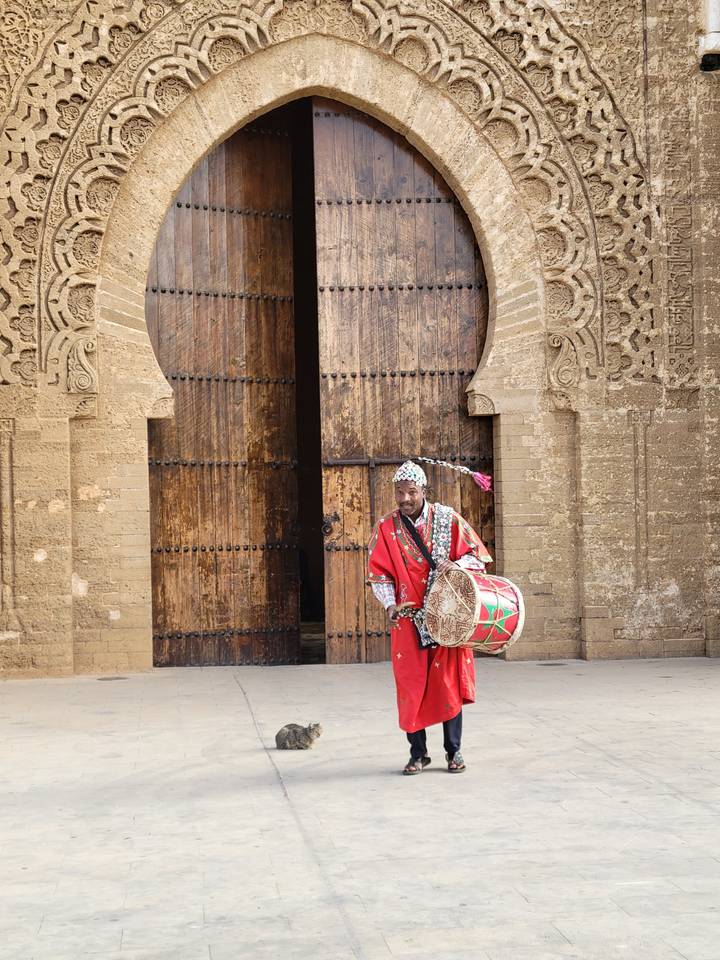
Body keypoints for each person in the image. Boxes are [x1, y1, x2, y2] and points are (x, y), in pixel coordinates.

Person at [367, 460, 492, 775]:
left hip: (446, 616)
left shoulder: (447, 519)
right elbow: (379, 574)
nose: (405, 498)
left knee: (447, 683)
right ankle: (418, 754)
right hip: (408, 621)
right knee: (411, 686)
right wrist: (389, 604)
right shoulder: (386, 527)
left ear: (423, 490)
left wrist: (457, 565)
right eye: (400, 493)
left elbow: (476, 555)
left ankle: (454, 752)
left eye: (411, 492)